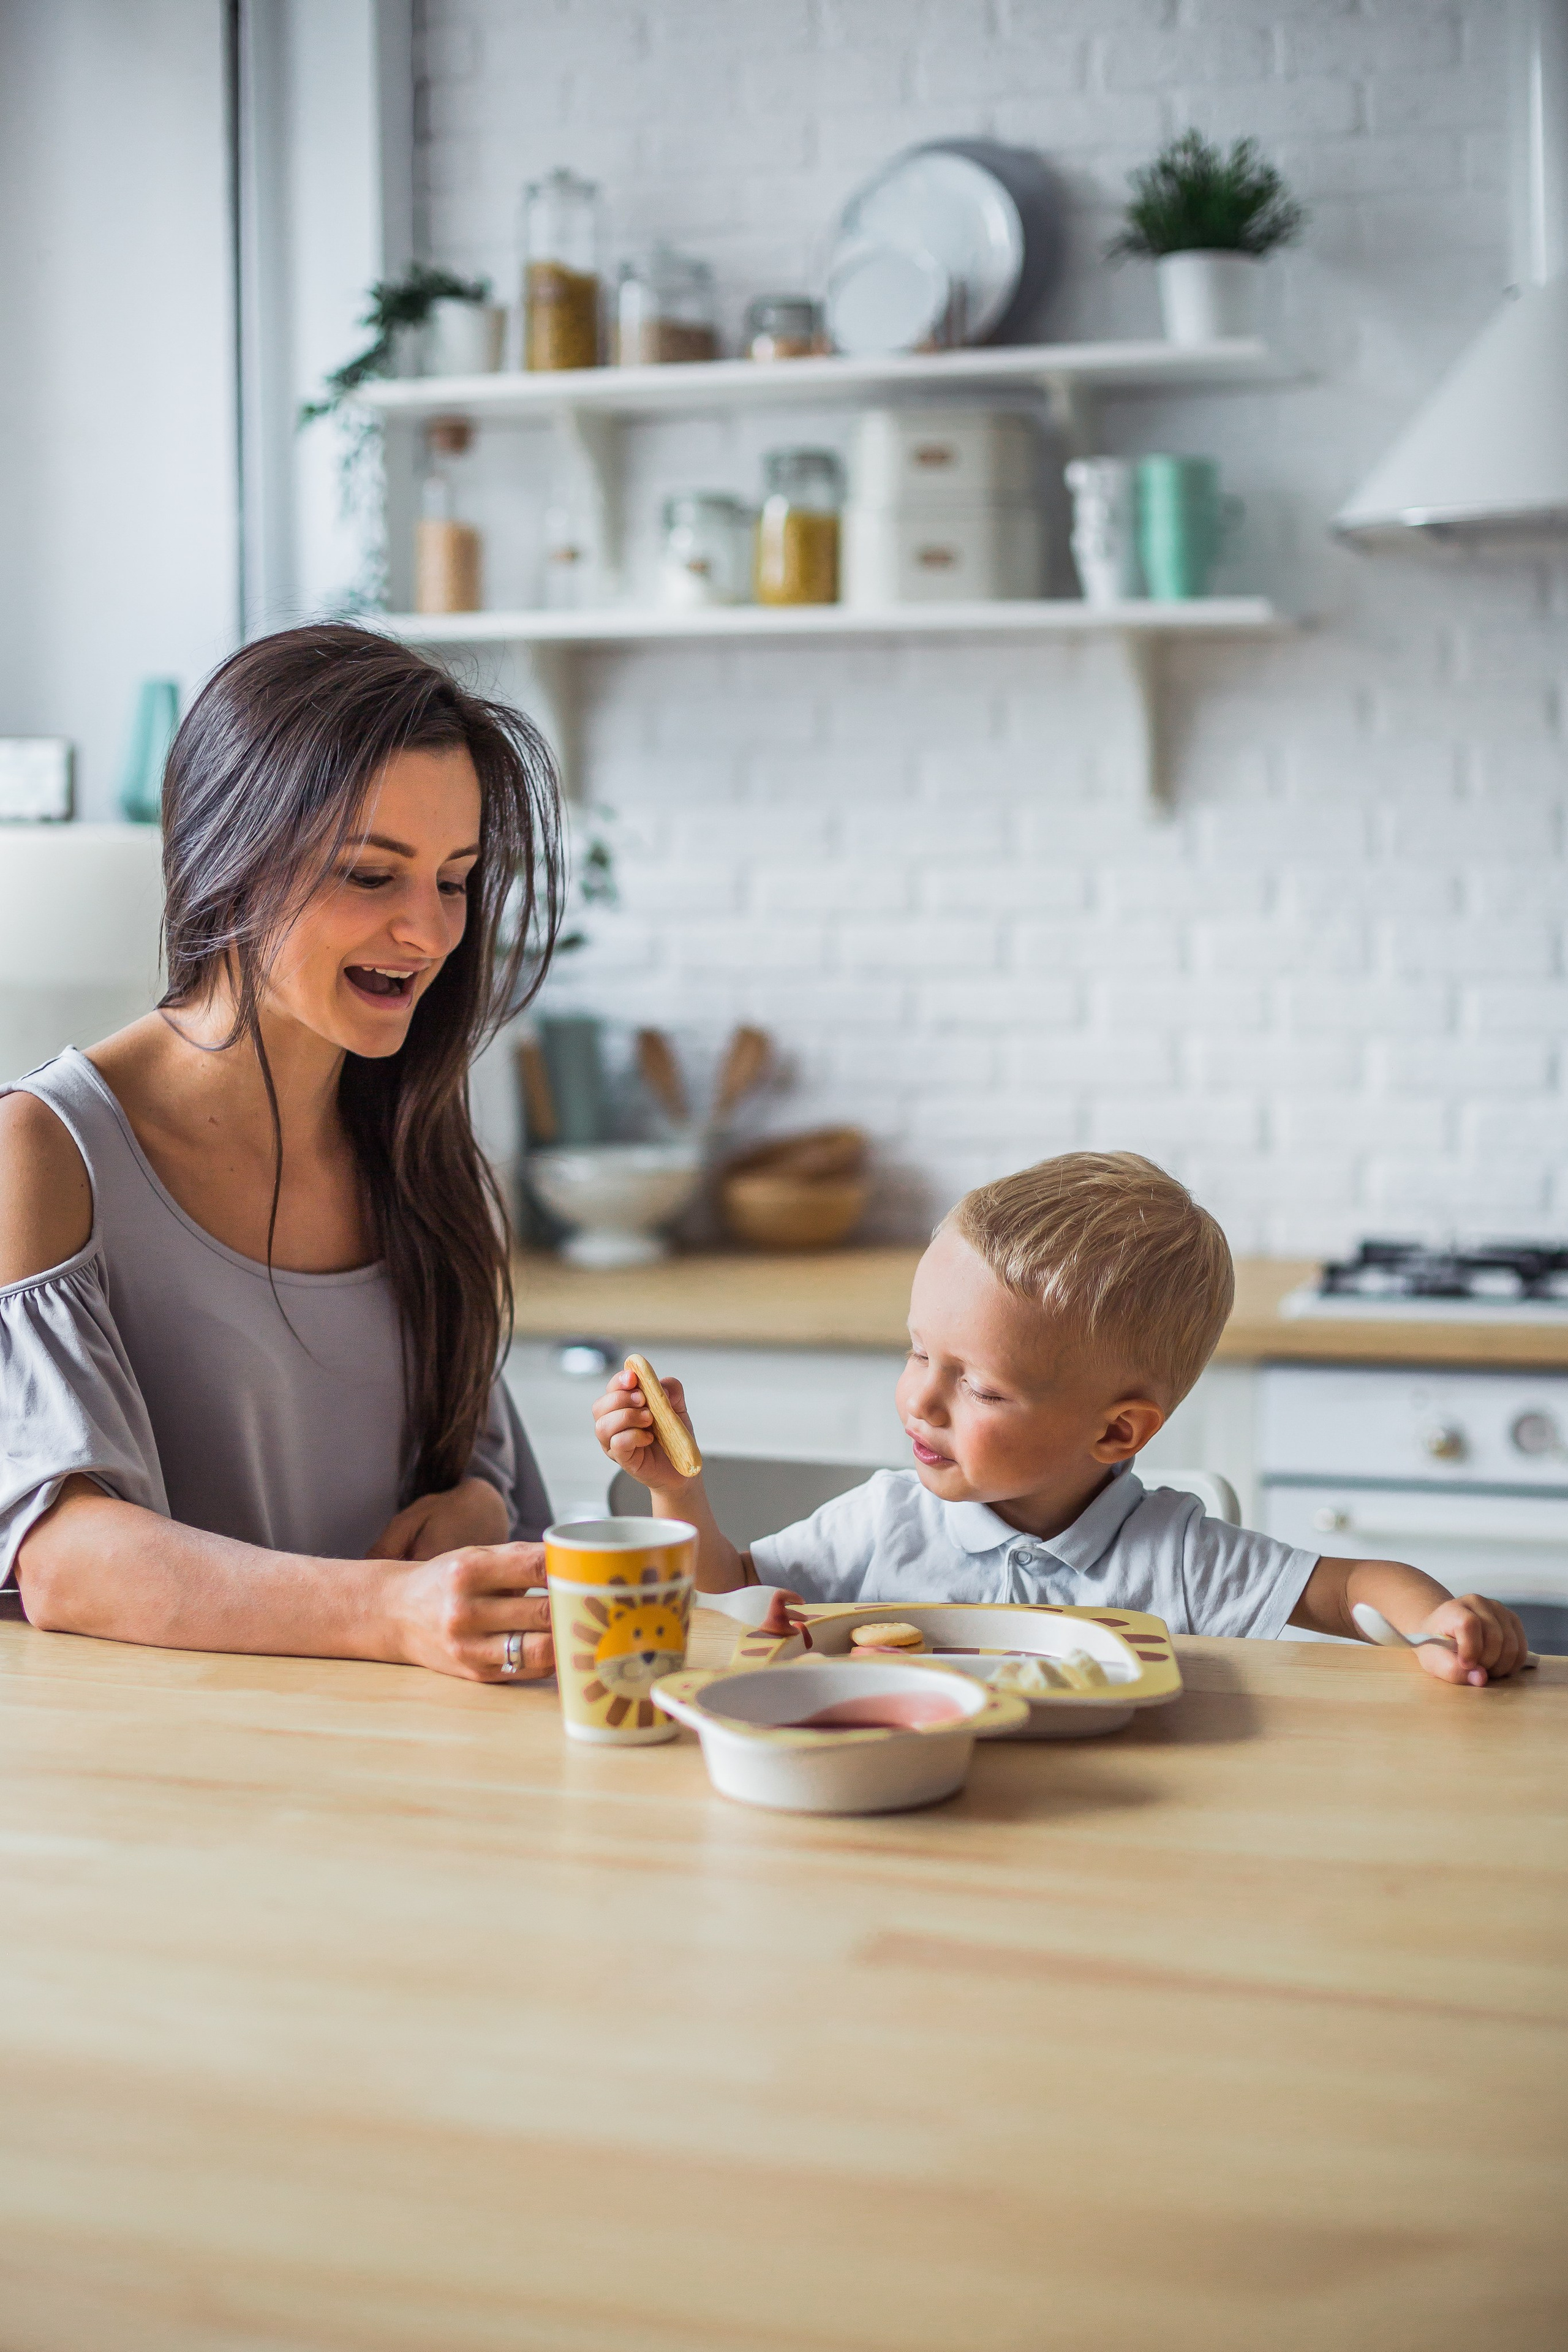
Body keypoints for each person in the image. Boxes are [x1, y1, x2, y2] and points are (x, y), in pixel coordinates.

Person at [2, 623, 564, 1683]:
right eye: (369, 875)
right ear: (229, 858)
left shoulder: (415, 1136)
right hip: (184, 1788)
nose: (430, 932)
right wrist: (393, 1611)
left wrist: (475, 1503)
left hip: (404, 1770)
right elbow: (66, 1559)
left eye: (454, 879)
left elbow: (478, 1459)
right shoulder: (43, 1149)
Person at [595, 1152, 1532, 1686]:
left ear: (1119, 1434)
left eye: (982, 1388)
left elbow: (1354, 1583)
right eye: (920, 1352)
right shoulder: (881, 1525)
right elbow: (727, 1586)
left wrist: (1440, 1622)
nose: (920, 1399)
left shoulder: (1174, 1553)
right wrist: (676, 1488)